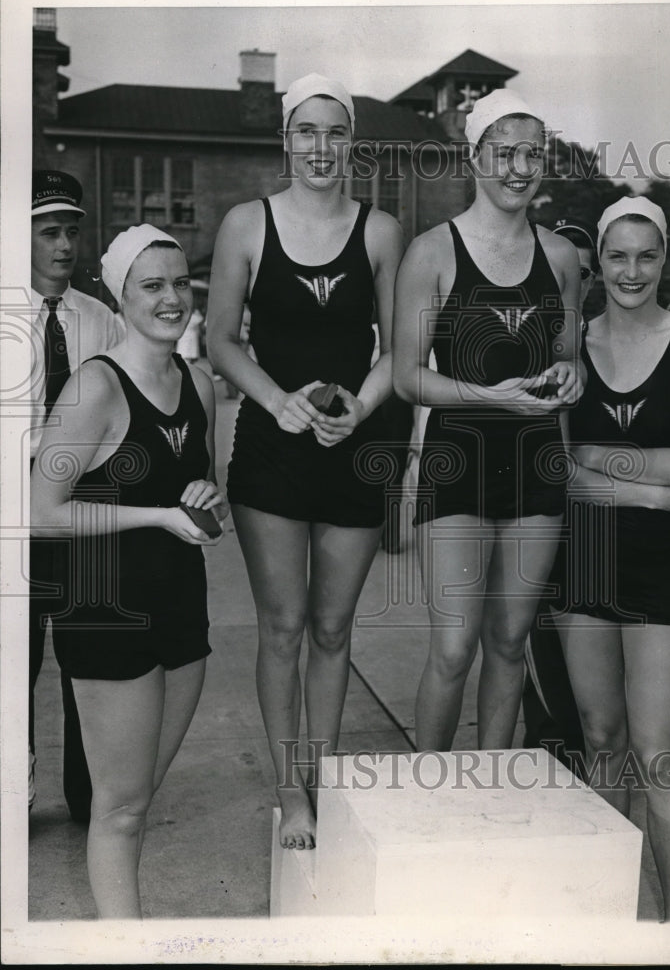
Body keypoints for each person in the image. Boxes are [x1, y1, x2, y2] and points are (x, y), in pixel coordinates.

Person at [207, 73, 403, 850]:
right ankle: (290, 794)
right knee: (283, 627)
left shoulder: (382, 232)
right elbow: (221, 338)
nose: (320, 148)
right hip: (270, 450)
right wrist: (277, 397)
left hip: (352, 450)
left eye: (334, 133)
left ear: (350, 142)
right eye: (306, 132)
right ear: (285, 139)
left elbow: (398, 350)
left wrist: (359, 404)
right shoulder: (245, 225)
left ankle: (323, 779)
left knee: (331, 628)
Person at [31, 224, 227, 918]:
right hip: (105, 614)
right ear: (120, 296)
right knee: (116, 812)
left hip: (181, 613)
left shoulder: (198, 381)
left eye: (180, 282)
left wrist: (205, 501)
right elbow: (41, 511)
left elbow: (204, 492)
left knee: (138, 804)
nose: (172, 298)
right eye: (152, 285)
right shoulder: (95, 386)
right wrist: (154, 516)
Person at [393, 89, 584, 752]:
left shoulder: (559, 257)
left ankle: (491, 786)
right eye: (503, 151)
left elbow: (569, 359)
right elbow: (405, 375)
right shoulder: (431, 252)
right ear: (474, 158)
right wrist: (490, 397)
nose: (517, 166)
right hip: (458, 463)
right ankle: (428, 786)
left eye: (531, 153)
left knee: (509, 640)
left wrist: (569, 376)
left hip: (536, 465)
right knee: (453, 646)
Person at [551, 196, 670, 921]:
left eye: (645, 255)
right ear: (597, 260)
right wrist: (650, 491)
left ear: (664, 260)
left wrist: (599, 462)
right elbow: (556, 471)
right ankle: (607, 914)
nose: (630, 271)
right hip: (585, 555)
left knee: (656, 752)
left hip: (663, 563)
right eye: (616, 256)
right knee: (599, 739)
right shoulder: (570, 347)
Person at [28, 170, 120, 820]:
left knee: (85, 657)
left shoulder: (103, 323)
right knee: (14, 661)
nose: (64, 245)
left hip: (82, 504)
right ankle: (16, 791)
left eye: (71, 231)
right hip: (15, 512)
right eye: (48, 232)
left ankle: (89, 798)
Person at [522, 217, 600, 768]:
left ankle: (593, 748)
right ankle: (549, 745)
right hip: (539, 508)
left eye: (583, 270)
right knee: (535, 633)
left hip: (601, 517)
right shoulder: (525, 351)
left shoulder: (616, 345)